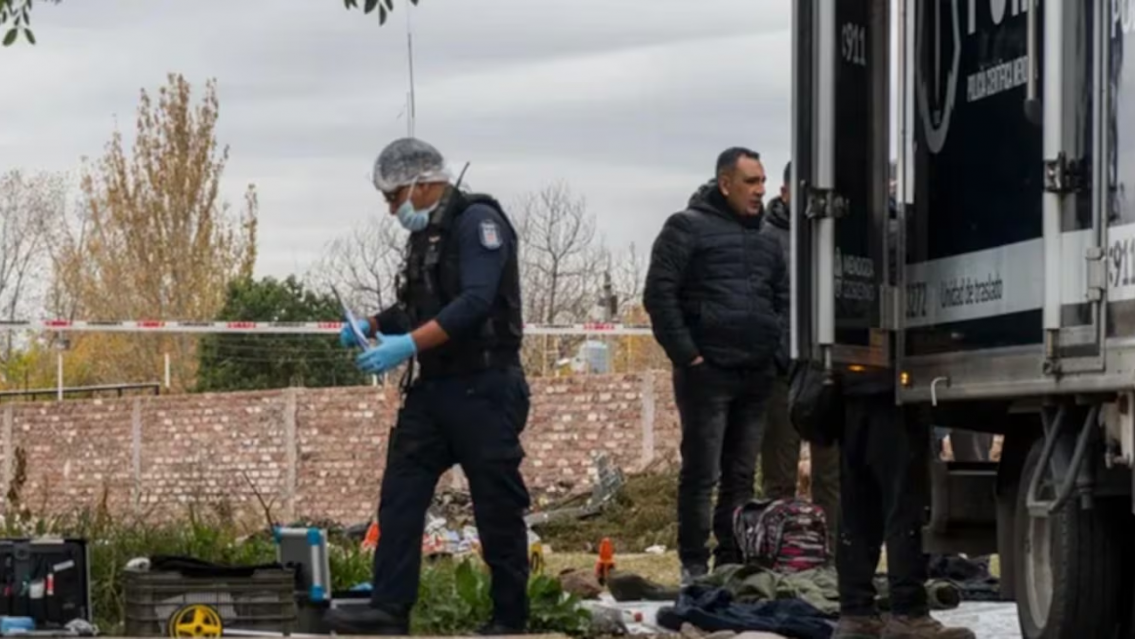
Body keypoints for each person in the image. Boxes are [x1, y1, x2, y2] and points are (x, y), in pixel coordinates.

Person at [325, 138, 531, 636]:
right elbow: (418, 307)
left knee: (495, 503)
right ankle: (389, 608)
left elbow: (473, 303)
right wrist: (372, 324)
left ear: (421, 184)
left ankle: (510, 617)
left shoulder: (478, 223)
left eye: (394, 197)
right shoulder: (426, 238)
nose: (392, 208)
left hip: (485, 387)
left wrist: (407, 346)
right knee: (401, 490)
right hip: (434, 391)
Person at [643, 147, 788, 583]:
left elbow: (780, 295)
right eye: (751, 182)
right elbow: (659, 296)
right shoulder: (685, 228)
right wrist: (690, 355)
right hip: (707, 374)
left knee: (741, 476)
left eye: (763, 181)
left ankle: (730, 561)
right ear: (725, 183)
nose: (760, 191)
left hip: (756, 373)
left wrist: (774, 349)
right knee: (701, 472)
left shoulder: (766, 238)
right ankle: (693, 564)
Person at [833, 199, 974, 639]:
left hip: (847, 386)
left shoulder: (837, 236)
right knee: (903, 505)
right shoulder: (899, 235)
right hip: (892, 389)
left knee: (858, 508)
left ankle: (856, 611)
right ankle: (908, 612)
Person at [757, 161, 841, 553]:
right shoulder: (765, 237)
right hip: (781, 371)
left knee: (832, 474)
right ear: (785, 192)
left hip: (830, 370)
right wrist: (776, 354)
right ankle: (779, 552)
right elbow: (760, 302)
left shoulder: (836, 235)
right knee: (779, 474)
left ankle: (832, 553)